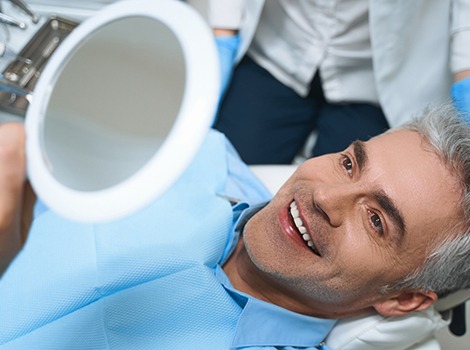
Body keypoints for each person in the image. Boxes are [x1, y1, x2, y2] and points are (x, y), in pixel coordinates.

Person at [1, 104, 470, 348]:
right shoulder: (191, 154)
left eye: (375, 220)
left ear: (403, 298)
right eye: (349, 163)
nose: (324, 196)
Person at [210, 0, 470, 164]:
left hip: (374, 80)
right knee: (225, 175)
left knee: (344, 214)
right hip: (278, 49)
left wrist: (466, 72)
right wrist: (222, 30)